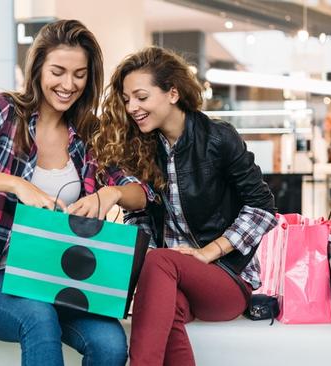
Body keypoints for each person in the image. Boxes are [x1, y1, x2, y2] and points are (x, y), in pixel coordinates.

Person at [0, 20, 149, 366]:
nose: (68, 84)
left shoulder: (90, 132)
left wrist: (111, 195)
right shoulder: (5, 110)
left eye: (79, 74)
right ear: (38, 68)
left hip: (62, 280)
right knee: (38, 319)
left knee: (110, 343)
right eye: (58, 71)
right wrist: (18, 184)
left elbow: (142, 193)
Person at [92, 46, 277, 366]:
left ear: (172, 93)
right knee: (166, 304)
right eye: (126, 99)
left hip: (226, 279)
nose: (132, 107)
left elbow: (262, 207)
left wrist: (208, 252)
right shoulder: (144, 149)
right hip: (171, 279)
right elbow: (142, 215)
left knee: (161, 261)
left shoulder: (218, 138)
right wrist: (144, 255)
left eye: (141, 97)